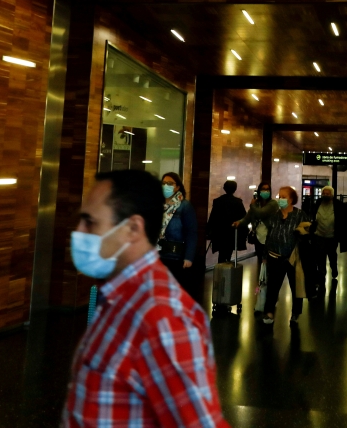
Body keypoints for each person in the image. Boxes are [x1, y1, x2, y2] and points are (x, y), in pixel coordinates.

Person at [62, 169, 230, 428]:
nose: (79, 231)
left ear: (132, 228)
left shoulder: (164, 320)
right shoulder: (116, 299)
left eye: (90, 222)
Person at [262, 186, 311, 325]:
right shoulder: (275, 216)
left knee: (295, 285)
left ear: (291, 200)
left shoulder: (299, 215)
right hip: (275, 256)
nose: (281, 199)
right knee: (273, 286)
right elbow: (269, 236)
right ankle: (269, 312)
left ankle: (296, 312)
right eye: (280, 196)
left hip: (293, 257)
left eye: (284, 197)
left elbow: (307, 232)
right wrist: (265, 255)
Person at [305, 185, 347, 291]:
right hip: (319, 235)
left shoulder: (338, 205)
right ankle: (322, 275)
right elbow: (312, 216)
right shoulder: (317, 203)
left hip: (332, 236)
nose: (325, 195)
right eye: (324, 193)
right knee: (320, 256)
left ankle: (334, 268)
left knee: (332, 254)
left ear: (332, 195)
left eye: (328, 194)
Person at [159, 172, 197, 289]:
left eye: (170, 183)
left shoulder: (184, 206)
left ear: (177, 187)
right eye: (164, 183)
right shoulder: (157, 204)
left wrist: (189, 257)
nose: (166, 186)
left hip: (176, 255)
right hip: (159, 254)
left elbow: (192, 232)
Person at [233, 182, 279, 266]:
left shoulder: (273, 204)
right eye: (263, 189)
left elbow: (261, 213)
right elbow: (248, 217)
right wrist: (239, 222)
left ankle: (267, 278)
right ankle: (261, 278)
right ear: (259, 191)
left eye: (267, 189)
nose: (266, 191)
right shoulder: (257, 204)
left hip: (270, 237)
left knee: (269, 263)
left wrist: (252, 205)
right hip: (258, 237)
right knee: (260, 260)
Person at [207, 180, 247, 263]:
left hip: (220, 233)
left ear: (224, 188)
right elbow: (244, 217)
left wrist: (209, 231)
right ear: (235, 189)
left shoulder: (217, 201)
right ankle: (227, 268)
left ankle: (220, 271)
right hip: (232, 233)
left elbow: (213, 218)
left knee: (221, 254)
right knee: (228, 253)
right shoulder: (238, 202)